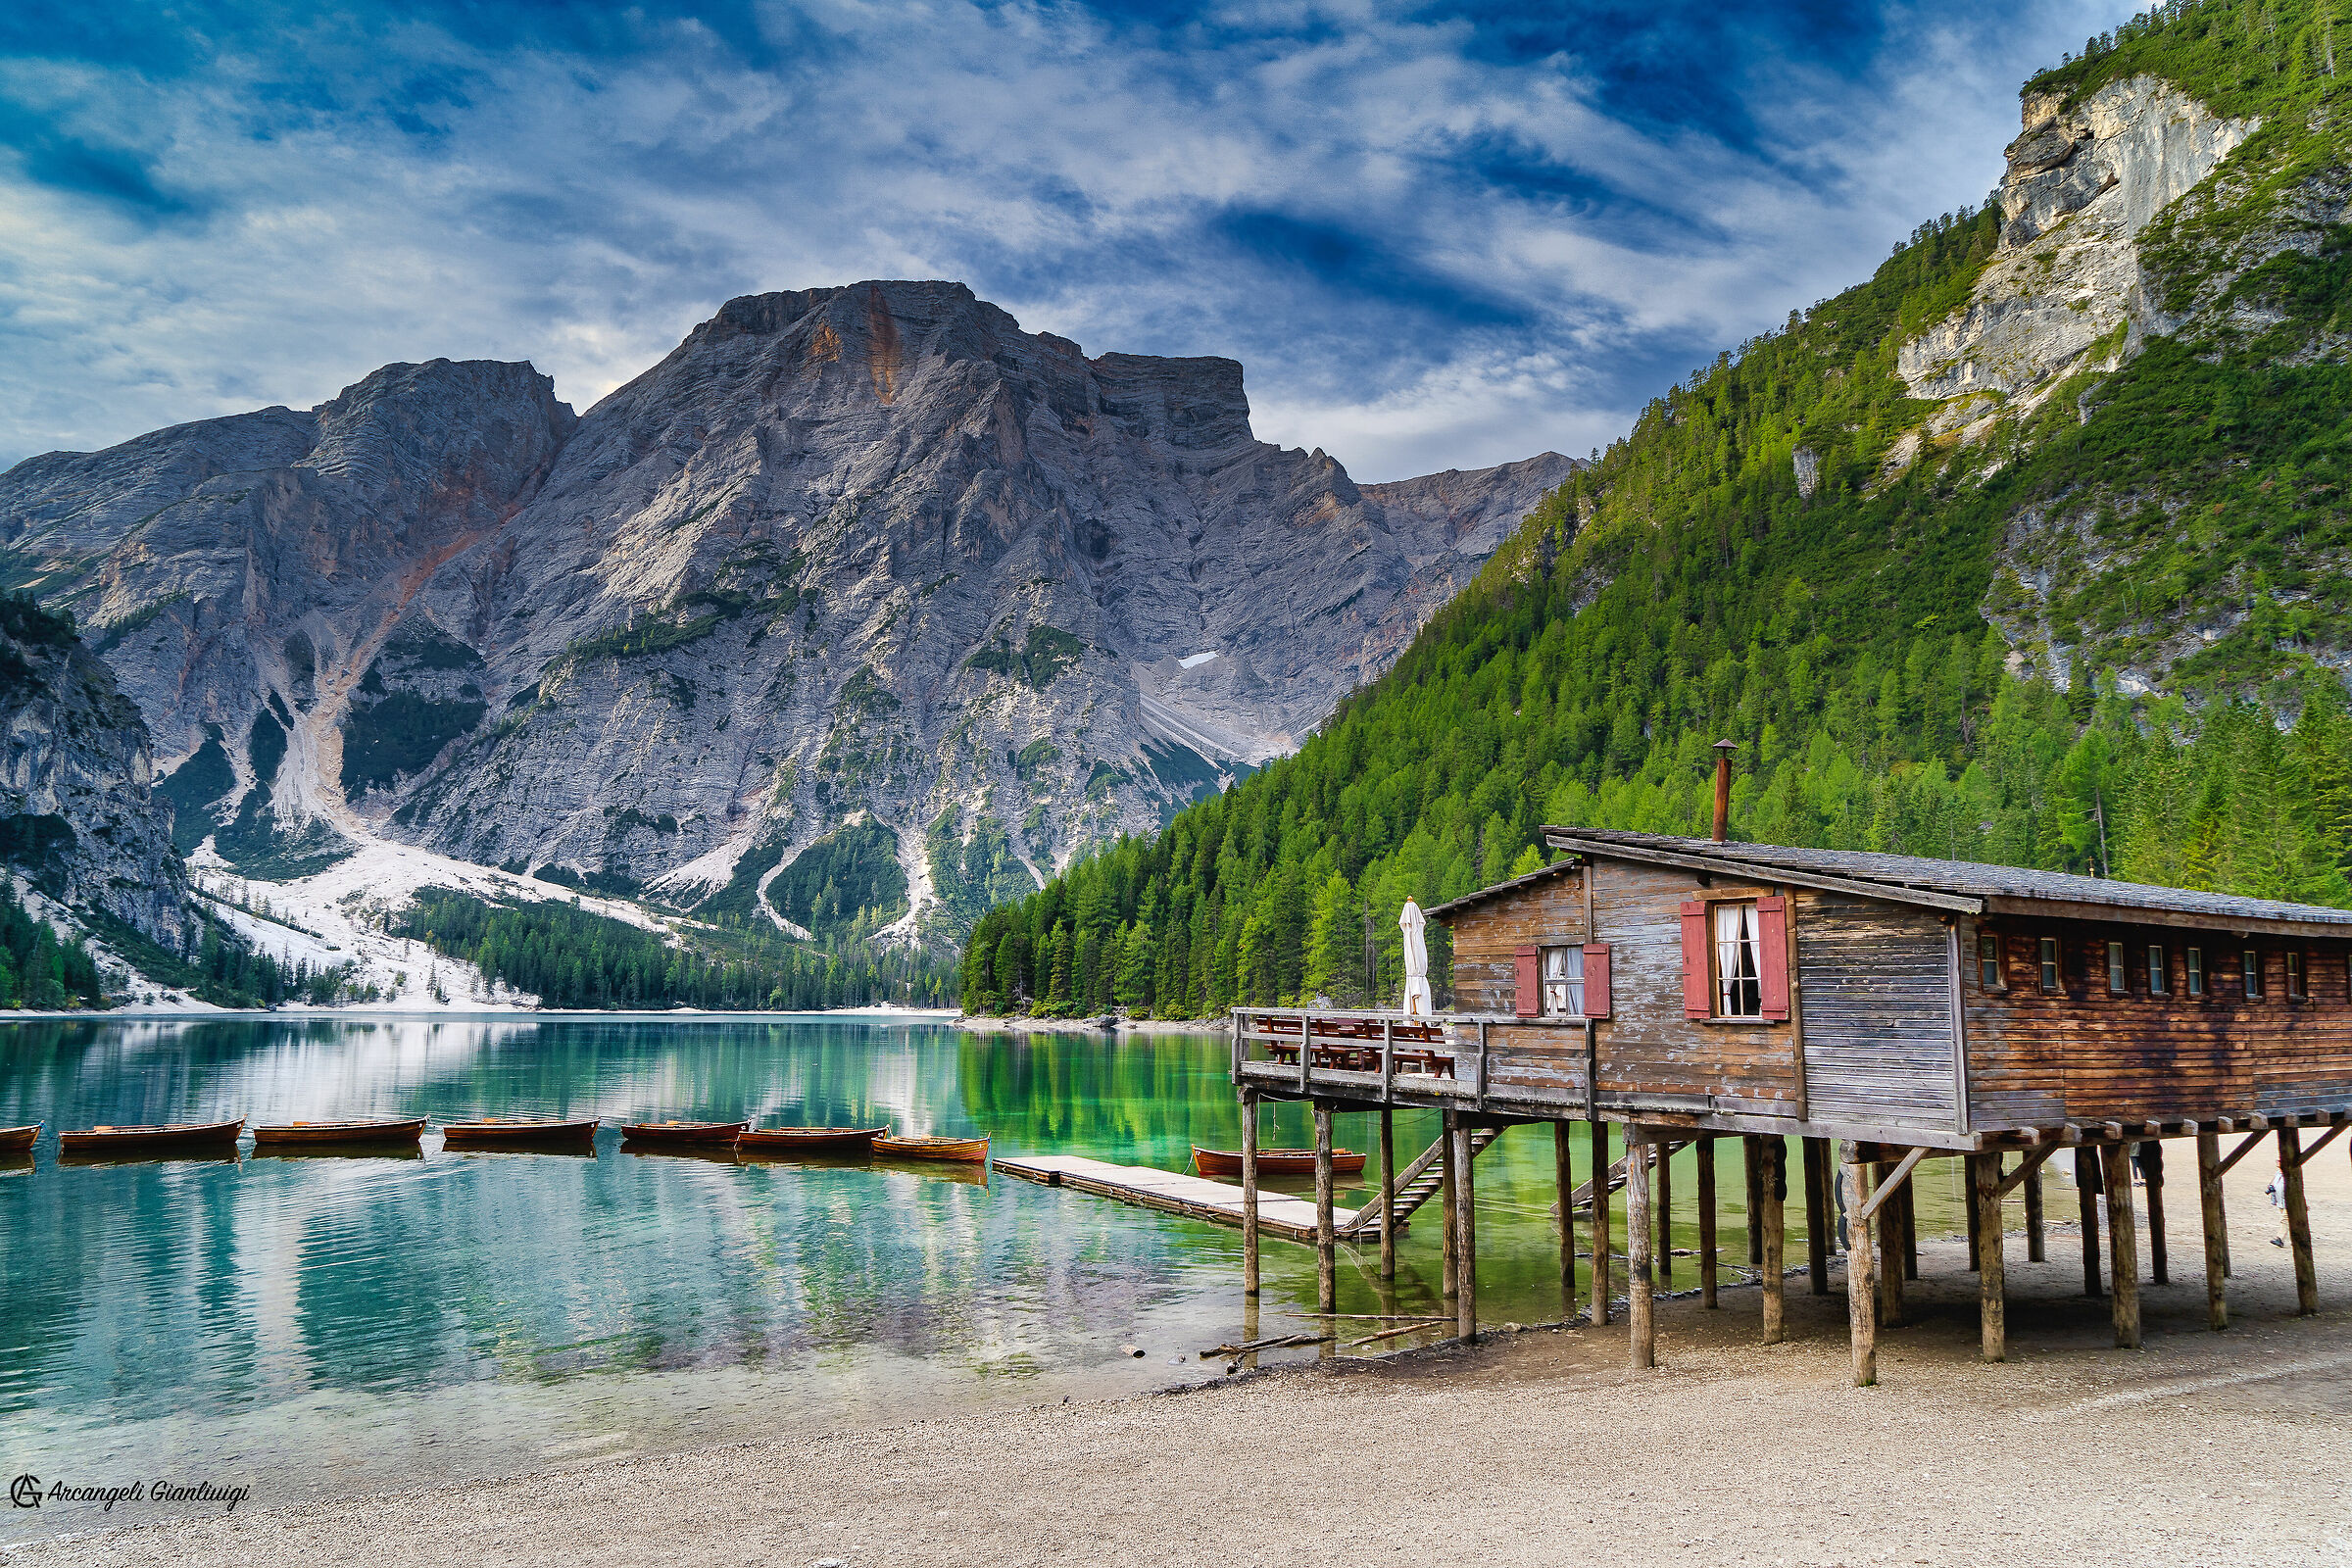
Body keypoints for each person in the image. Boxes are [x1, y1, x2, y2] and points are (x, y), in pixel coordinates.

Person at [2267, 1167, 2289, 1248]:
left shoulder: (2289, 1174)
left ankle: (2280, 1239)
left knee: (2284, 1219)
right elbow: (2271, 1184)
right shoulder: (2278, 1173)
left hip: (2288, 1202)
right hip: (2280, 1201)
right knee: (2289, 1221)